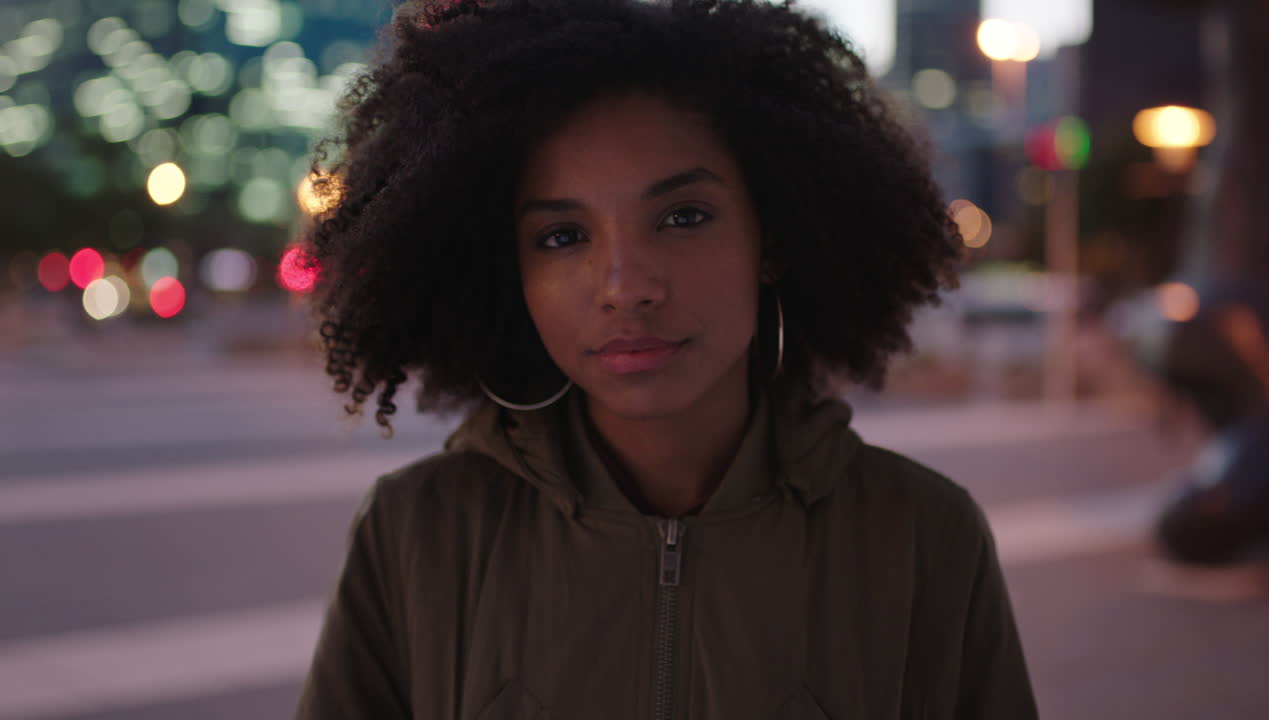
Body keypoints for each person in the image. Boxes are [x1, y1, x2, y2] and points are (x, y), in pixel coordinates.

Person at [294, 0, 1039, 717]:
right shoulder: (416, 535)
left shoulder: (923, 538)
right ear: (506, 271)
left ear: (771, 238)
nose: (627, 288)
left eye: (683, 217)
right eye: (562, 236)